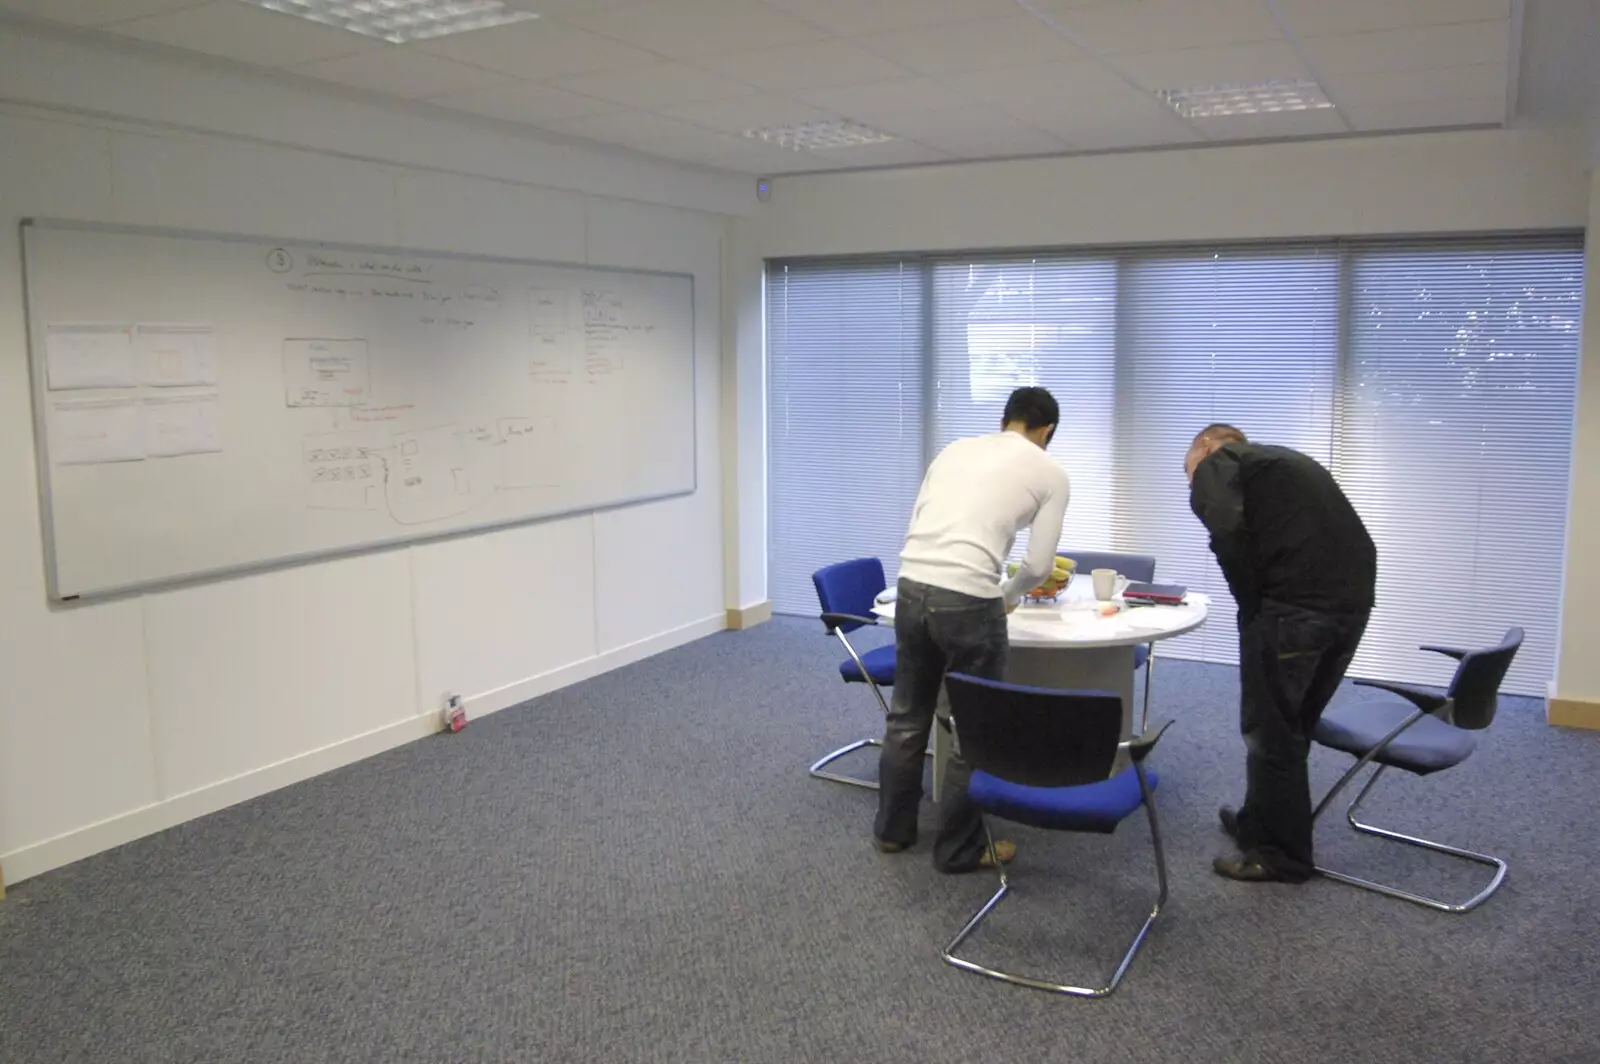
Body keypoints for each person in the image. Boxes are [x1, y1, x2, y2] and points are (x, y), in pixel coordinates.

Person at [875, 386, 1072, 873]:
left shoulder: (954, 450)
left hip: (912, 583)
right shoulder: (1050, 472)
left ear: (1006, 419)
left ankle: (893, 832)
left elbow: (920, 520)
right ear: (1046, 430)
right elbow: (1039, 565)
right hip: (968, 599)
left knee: (906, 717)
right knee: (971, 728)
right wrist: (1005, 598)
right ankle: (958, 849)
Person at [1184, 424, 1377, 883]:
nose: (1189, 482)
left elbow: (1227, 535)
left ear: (1207, 446)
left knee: (1270, 730)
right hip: (1349, 605)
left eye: (1185, 469)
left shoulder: (1220, 462)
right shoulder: (1280, 463)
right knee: (1293, 725)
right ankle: (1260, 825)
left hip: (1295, 611)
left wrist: (1251, 608)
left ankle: (1281, 856)